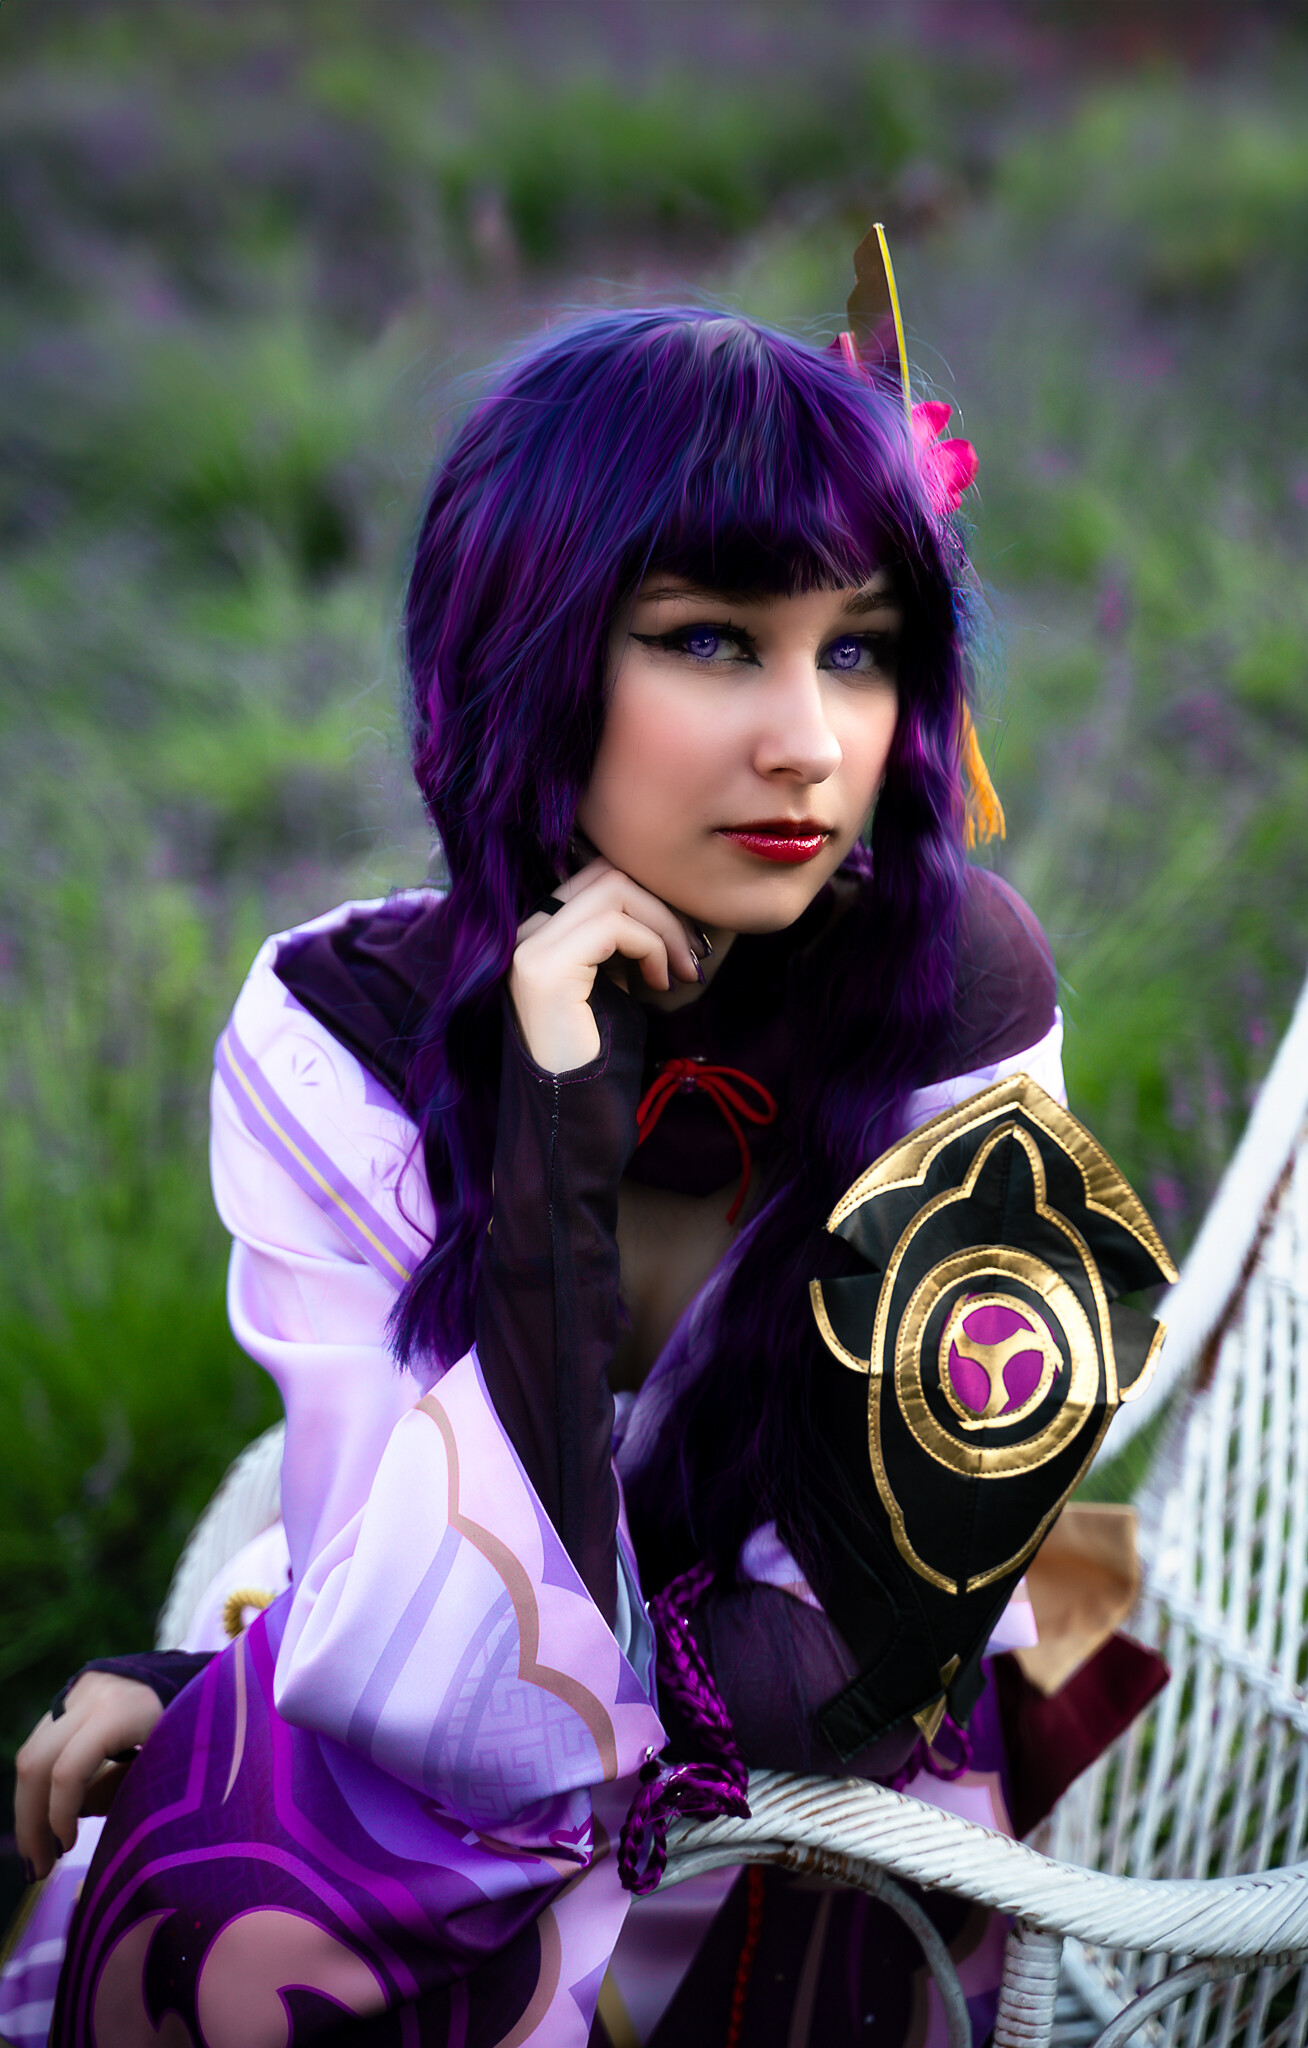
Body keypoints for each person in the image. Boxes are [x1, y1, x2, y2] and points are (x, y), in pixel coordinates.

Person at [7, 294, 1166, 2047]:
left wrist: (266, 1675)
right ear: (528, 652)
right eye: (711, 640)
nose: (808, 742)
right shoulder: (334, 1033)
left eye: (858, 650)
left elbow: (834, 1679)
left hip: (813, 1816)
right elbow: (422, 1651)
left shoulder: (953, 1001)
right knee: (222, 1879)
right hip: (447, 1763)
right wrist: (556, 1109)